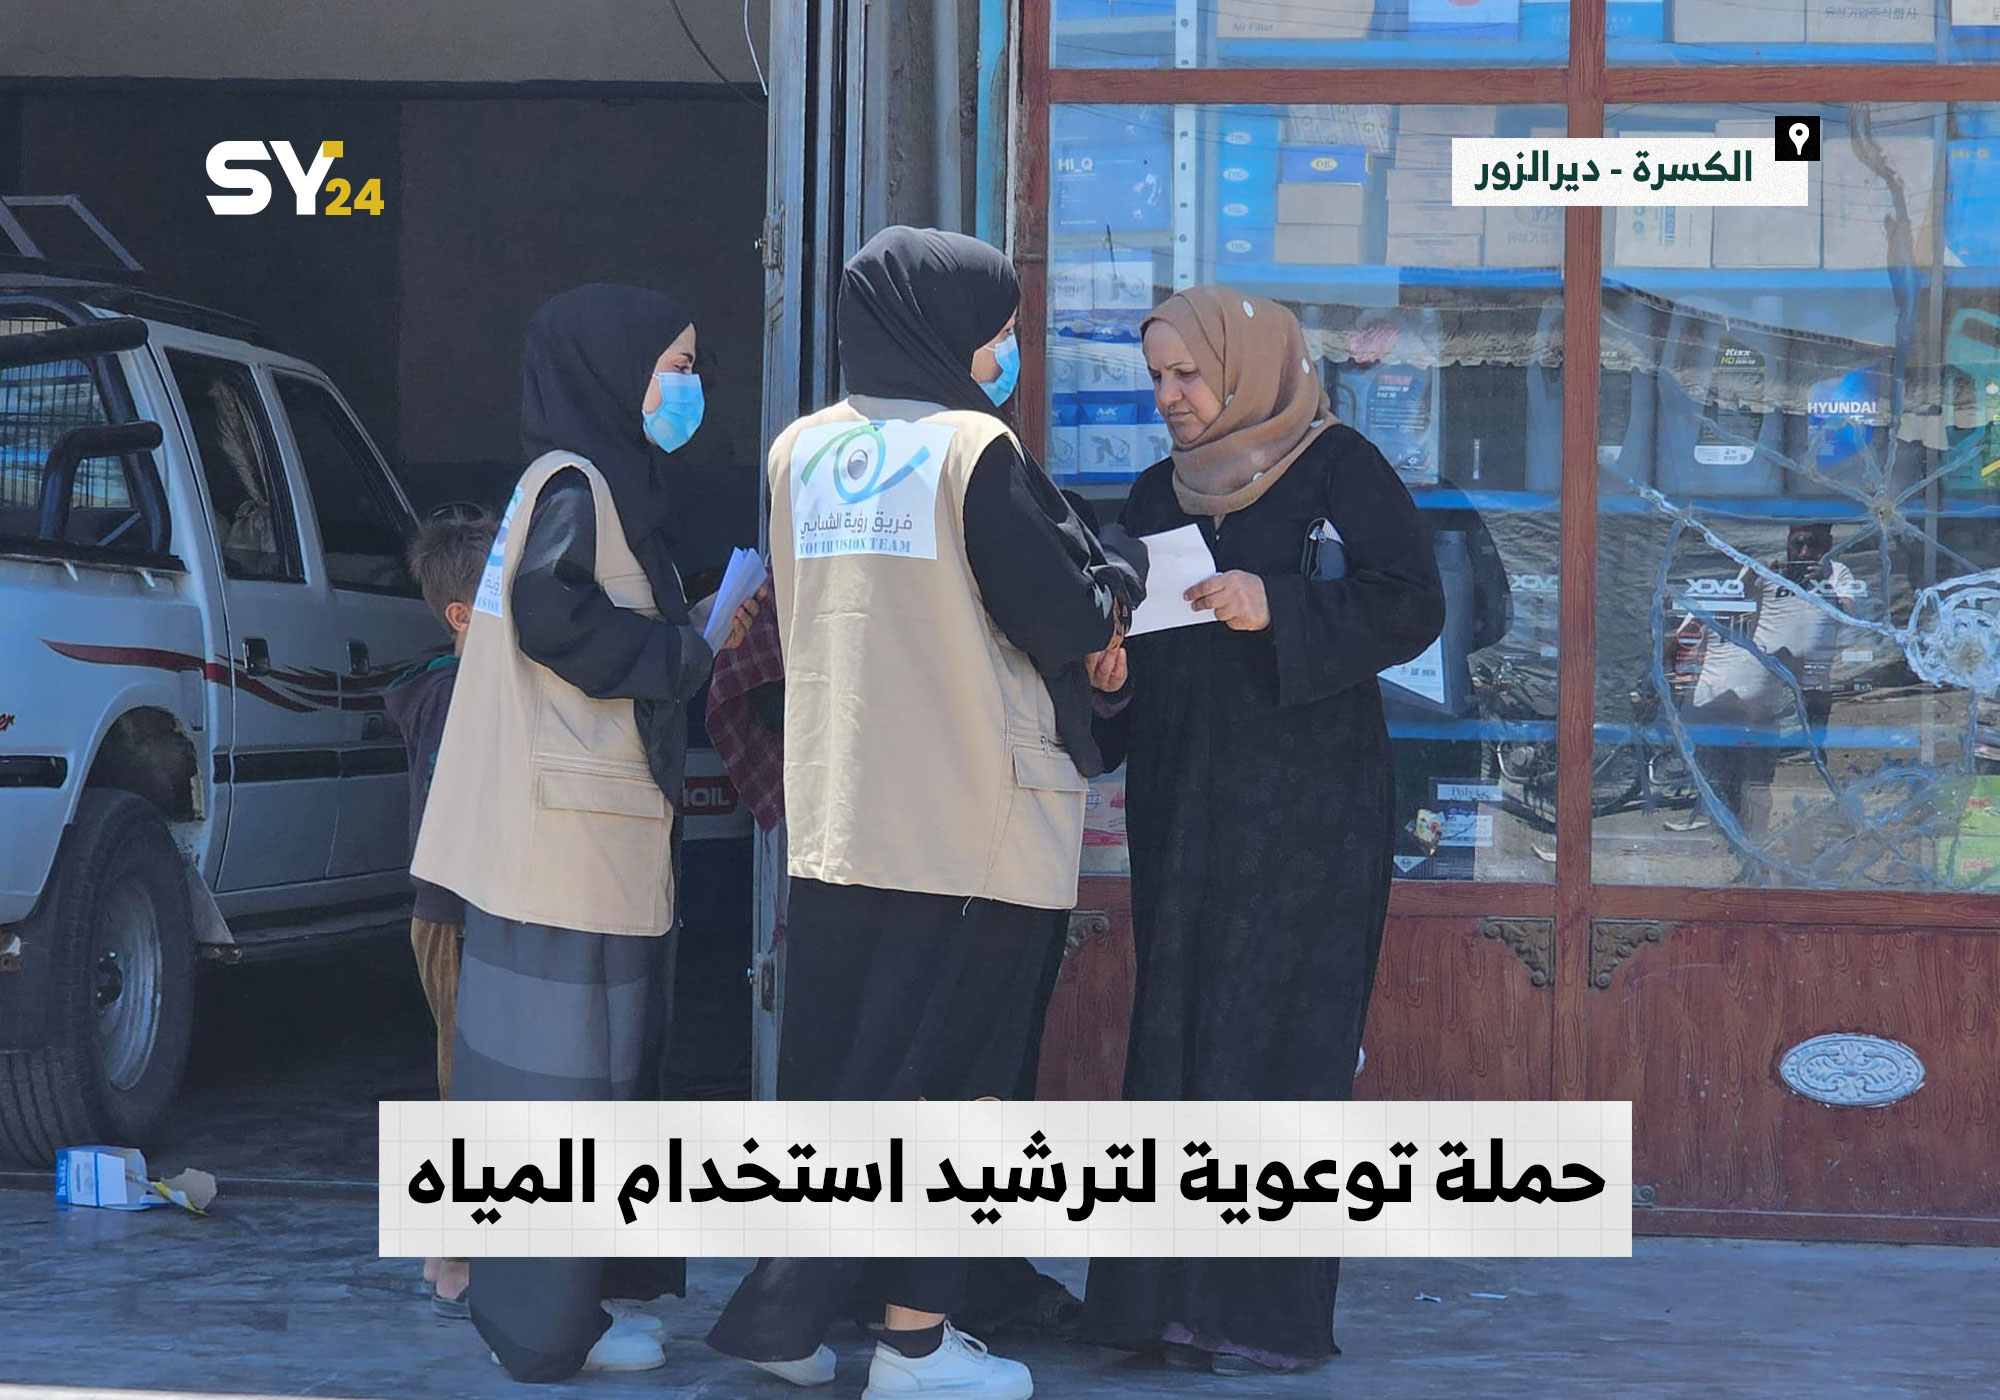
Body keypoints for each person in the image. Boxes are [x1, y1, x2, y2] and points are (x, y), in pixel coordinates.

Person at [704, 226, 1145, 1400]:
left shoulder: (798, 449)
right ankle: (913, 1344)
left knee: (839, 1083)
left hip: (842, 815)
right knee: (957, 1089)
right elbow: (1061, 615)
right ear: (946, 329)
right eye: (996, 332)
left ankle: (788, 1319)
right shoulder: (972, 448)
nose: (1003, 355)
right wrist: (1116, 588)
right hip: (971, 819)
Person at [1080, 287, 1445, 1376]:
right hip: (1186, 799)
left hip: (1309, 808)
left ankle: (1261, 1316)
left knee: (1281, 1039)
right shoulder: (1158, 491)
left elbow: (1411, 603)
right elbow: (1143, 641)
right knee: (1178, 1032)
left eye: (1187, 374)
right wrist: (1110, 679)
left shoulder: (1339, 467)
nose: (1169, 396)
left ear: (1245, 367)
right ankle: (1158, 1305)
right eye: (1156, 377)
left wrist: (1277, 601)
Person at [413, 284, 758, 1382]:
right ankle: (541, 1322)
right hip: (562, 837)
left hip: (576, 834)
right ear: (612, 369)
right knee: (560, 1078)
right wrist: (684, 653)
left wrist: (689, 629)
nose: (689, 387)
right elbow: (555, 611)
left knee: (586, 1074)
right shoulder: (576, 481)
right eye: (676, 365)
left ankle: (577, 1309)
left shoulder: (586, 483)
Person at [382, 507, 497, 1320]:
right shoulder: (456, 697)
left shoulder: (458, 689)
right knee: (467, 1086)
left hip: (458, 911)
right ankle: (455, 1256)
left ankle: (444, 1248)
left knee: (473, 1079)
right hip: (454, 913)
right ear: (461, 615)